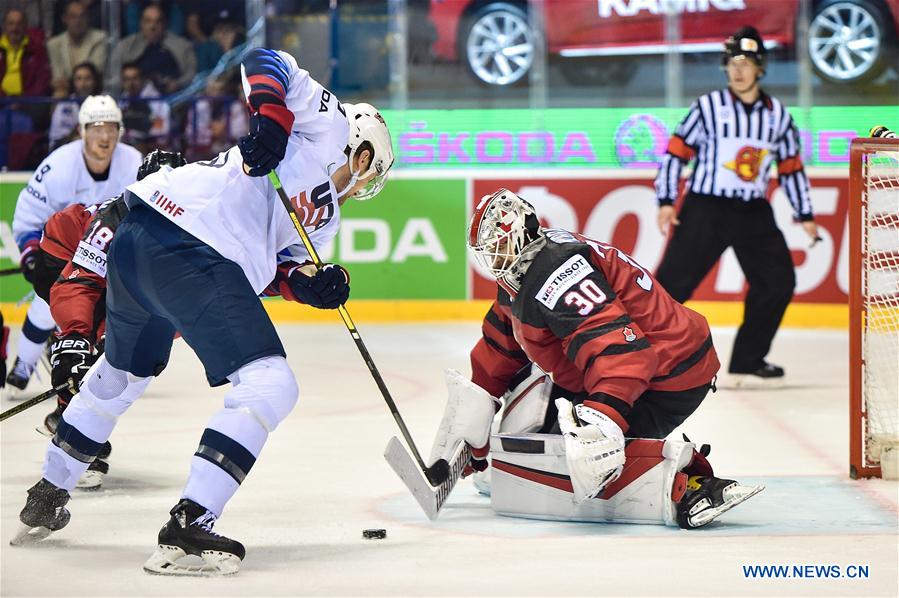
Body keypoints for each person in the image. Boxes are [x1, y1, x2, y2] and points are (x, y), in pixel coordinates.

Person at [12, 47, 395, 577]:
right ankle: (190, 522)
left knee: (119, 376)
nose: (364, 186)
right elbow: (266, 61)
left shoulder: (324, 221)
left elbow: (266, 275)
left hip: (141, 240)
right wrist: (274, 123)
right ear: (363, 152)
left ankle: (49, 491)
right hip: (188, 242)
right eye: (371, 171)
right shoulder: (327, 125)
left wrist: (312, 286)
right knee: (270, 384)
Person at [429, 188, 761, 529]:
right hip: (627, 365)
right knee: (515, 461)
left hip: (669, 374)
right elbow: (500, 348)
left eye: (497, 249)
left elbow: (622, 354)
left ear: (520, 234)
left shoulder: (558, 272)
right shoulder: (525, 271)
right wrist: (472, 427)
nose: (493, 261)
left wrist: (600, 422)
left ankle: (691, 486)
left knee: (583, 466)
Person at [653, 26, 819, 389]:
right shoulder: (708, 107)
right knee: (669, 287)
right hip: (705, 207)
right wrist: (666, 200)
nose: (738, 70)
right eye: (732, 62)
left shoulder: (778, 116)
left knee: (778, 282)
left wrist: (804, 214)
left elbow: (790, 168)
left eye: (746, 62)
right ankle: (642, 353)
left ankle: (749, 358)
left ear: (760, 68)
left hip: (752, 211)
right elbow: (676, 154)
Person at [24, 150, 186, 489]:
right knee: (84, 349)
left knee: (110, 355)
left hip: (113, 277)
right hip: (63, 255)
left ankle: (69, 420)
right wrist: (75, 336)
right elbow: (81, 283)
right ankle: (73, 427)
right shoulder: (114, 220)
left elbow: (173, 310)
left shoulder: (194, 229)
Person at [6, 95, 142, 401]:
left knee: (106, 313)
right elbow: (28, 215)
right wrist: (30, 254)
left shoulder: (133, 162)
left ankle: (99, 365)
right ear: (82, 130)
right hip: (66, 251)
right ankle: (25, 364)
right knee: (48, 305)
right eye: (96, 128)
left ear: (120, 131)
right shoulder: (57, 166)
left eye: (111, 128)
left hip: (111, 255)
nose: (104, 136)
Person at [107, 4, 196, 94]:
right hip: (134, 97)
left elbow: (191, 73)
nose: (153, 26)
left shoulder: (183, 46)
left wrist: (178, 83)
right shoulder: (125, 46)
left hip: (174, 97)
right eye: (148, 21)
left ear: (165, 24)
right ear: (141, 23)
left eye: (158, 21)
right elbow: (113, 75)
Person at [46, 0, 106, 98]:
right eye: (73, 17)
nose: (78, 21)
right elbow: (58, 78)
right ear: (64, 19)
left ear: (88, 18)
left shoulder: (100, 39)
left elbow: (93, 73)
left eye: (82, 16)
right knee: (59, 94)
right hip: (65, 92)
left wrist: (70, 82)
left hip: (93, 91)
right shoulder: (54, 44)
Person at [47, 61, 103, 149]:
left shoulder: (104, 103)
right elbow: (59, 139)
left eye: (88, 78)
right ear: (73, 82)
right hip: (67, 151)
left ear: (95, 81)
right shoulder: (65, 105)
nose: (83, 83)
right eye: (79, 79)